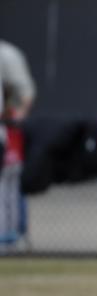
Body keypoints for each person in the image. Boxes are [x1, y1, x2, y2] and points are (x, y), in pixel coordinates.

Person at [0, 39, 36, 245]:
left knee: (8, 194)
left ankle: (9, 237)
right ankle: (10, 236)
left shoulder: (6, 55)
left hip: (9, 154)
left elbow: (26, 94)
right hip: (10, 153)